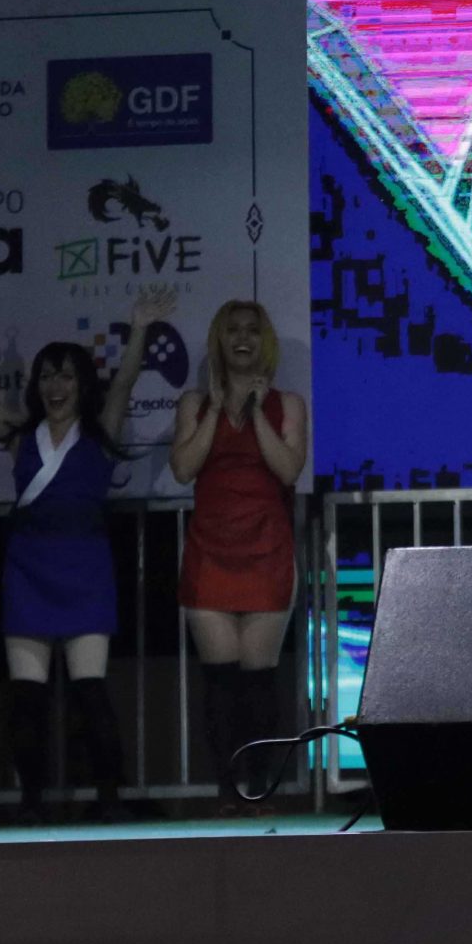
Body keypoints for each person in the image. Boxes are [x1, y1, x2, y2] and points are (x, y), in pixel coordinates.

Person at [0, 285, 174, 820]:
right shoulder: (19, 436)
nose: (55, 386)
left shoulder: (100, 432)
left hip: (86, 569)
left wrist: (140, 326)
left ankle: (109, 799)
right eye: (47, 376)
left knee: (91, 692)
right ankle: (32, 802)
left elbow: (126, 378)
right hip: (28, 569)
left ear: (82, 384)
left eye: (66, 375)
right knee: (27, 696)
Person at [169, 299, 307, 809]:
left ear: (263, 340)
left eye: (252, 330)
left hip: (266, 549)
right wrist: (216, 408)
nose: (242, 339)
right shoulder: (193, 403)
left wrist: (256, 410)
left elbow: (288, 470)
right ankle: (227, 790)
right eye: (233, 331)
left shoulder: (288, 404)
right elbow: (184, 468)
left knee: (259, 681)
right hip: (211, 551)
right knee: (220, 681)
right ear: (219, 341)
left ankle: (258, 786)